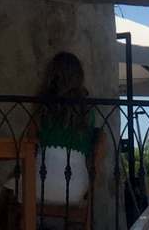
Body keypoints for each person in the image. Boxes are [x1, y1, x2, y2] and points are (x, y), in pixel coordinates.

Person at [29, 52, 101, 212]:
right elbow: (89, 151)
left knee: (10, 190)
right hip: (76, 188)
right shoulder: (87, 112)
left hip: (39, 184)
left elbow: (29, 144)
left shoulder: (42, 108)